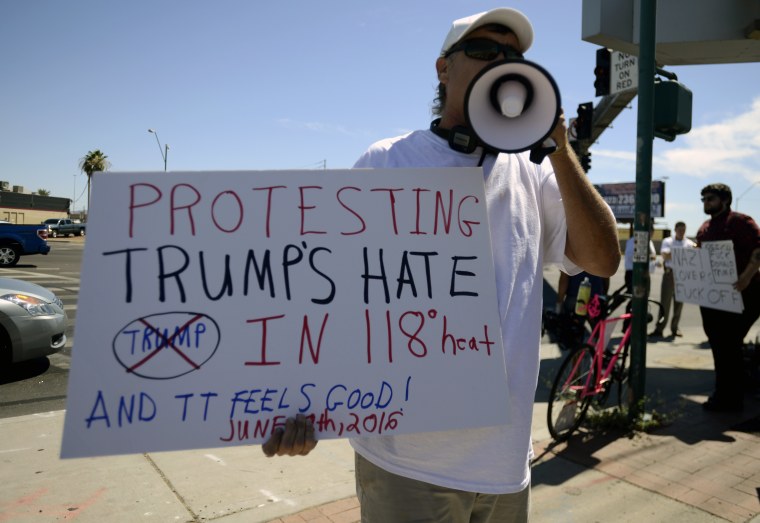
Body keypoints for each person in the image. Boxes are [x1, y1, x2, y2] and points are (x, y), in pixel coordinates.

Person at [262, 8, 620, 521]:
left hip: (505, 466)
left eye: (514, 56)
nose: (503, 63)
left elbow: (602, 259)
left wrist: (560, 149)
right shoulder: (387, 161)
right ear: (443, 69)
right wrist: (303, 404)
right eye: (484, 50)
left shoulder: (533, 175)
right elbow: (331, 297)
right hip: (407, 463)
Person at [696, 183, 760, 413]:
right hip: (713, 299)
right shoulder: (705, 227)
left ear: (725, 200)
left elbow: (758, 250)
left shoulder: (740, 222)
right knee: (719, 347)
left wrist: (745, 277)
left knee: (730, 346)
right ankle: (722, 395)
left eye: (710, 199)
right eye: (703, 199)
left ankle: (732, 400)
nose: (706, 203)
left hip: (744, 295)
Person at [650, 221, 695, 338]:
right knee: (665, 302)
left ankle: (675, 328)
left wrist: (675, 253)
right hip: (670, 274)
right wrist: (682, 254)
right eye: (680, 230)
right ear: (675, 230)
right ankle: (659, 328)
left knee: (679, 303)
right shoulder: (668, 241)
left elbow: (693, 257)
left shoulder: (689, 243)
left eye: (683, 230)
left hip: (683, 275)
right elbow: (665, 255)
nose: (682, 232)